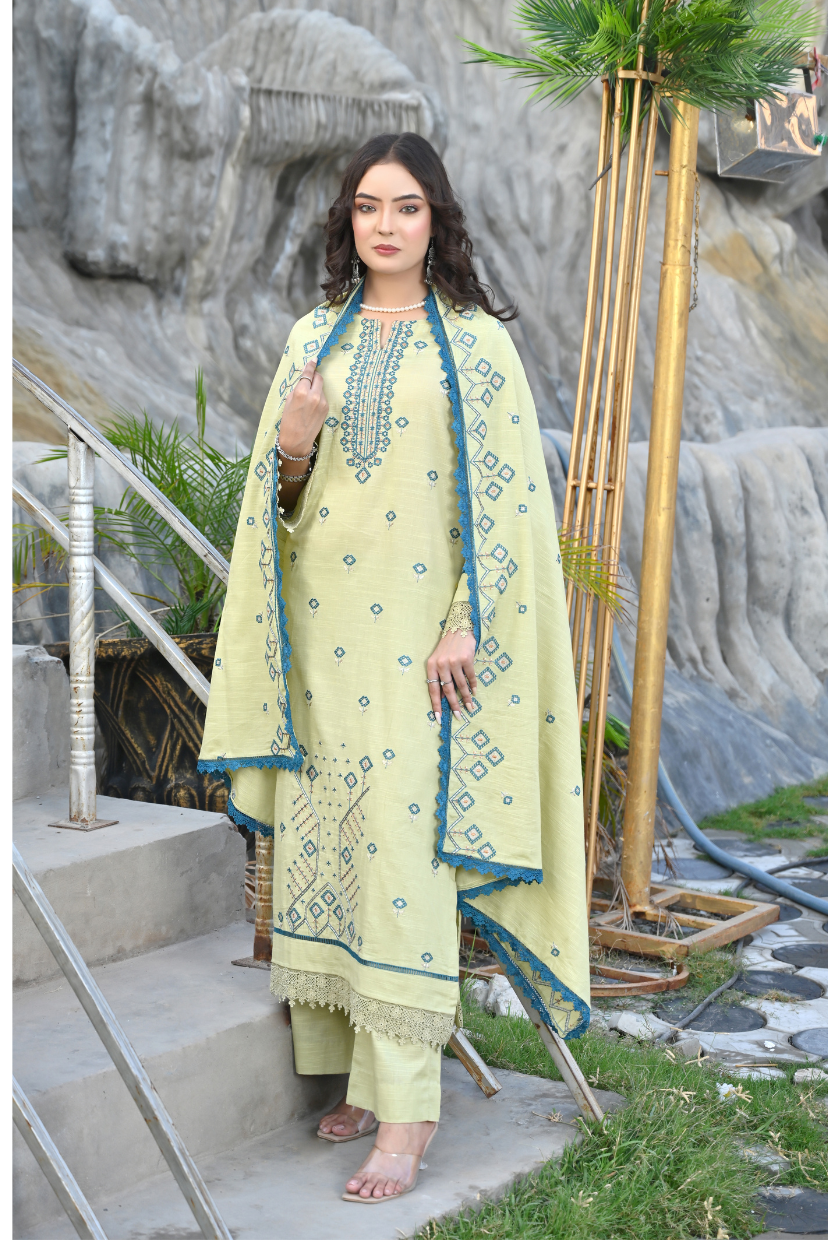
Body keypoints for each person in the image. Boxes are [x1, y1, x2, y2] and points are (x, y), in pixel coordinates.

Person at [199, 132, 590, 1203]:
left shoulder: (476, 345)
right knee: (337, 846)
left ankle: (410, 1116)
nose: (385, 224)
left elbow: (509, 500)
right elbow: (271, 505)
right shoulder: (310, 338)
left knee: (408, 862)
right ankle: (365, 1080)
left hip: (422, 653)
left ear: (437, 220)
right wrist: (291, 439)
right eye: (368, 205)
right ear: (348, 220)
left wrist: (468, 622)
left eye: (406, 207)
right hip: (321, 641)